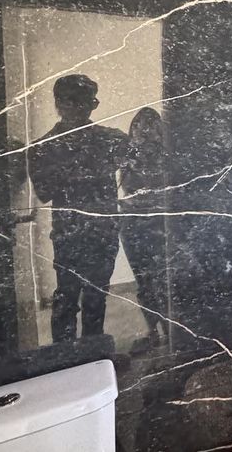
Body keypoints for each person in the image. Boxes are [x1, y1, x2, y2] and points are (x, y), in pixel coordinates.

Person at [29, 74, 127, 342]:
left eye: (88, 102)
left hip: (99, 232)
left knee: (95, 297)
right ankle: (66, 357)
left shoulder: (110, 139)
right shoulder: (42, 148)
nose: (83, 109)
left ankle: (92, 353)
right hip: (71, 235)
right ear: (60, 103)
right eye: (76, 101)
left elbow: (138, 161)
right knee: (67, 298)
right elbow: (44, 192)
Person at [120, 107, 168, 352]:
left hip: (158, 222)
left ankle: (170, 331)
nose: (143, 131)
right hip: (132, 223)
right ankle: (153, 331)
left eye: (149, 127)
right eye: (138, 126)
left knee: (162, 279)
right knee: (144, 280)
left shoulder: (167, 156)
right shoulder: (127, 155)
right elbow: (126, 188)